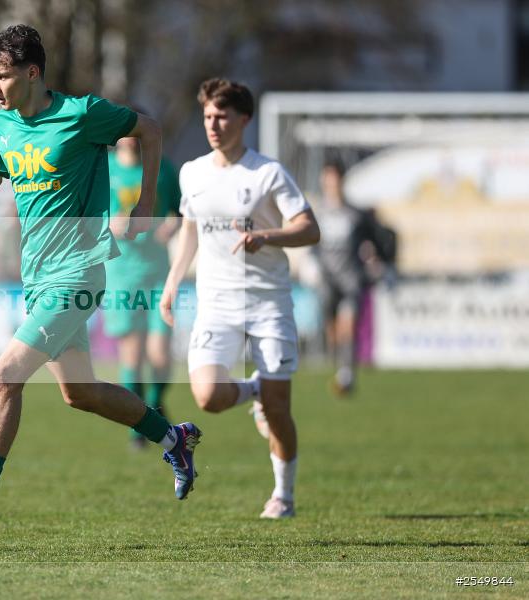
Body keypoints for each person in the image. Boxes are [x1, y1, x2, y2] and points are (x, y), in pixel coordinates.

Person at [0, 25, 203, 532]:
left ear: (32, 73)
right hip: (36, 279)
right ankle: (174, 439)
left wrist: (144, 204)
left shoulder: (81, 115)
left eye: (2, 76)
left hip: (78, 272)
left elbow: (149, 129)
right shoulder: (1, 128)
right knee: (80, 393)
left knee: (5, 375)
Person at [159, 79, 320, 519]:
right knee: (208, 395)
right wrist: (173, 281)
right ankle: (254, 392)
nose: (213, 124)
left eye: (223, 115)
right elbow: (190, 229)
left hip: (268, 304)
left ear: (244, 119)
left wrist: (267, 236)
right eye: (208, 116)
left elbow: (310, 228)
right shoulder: (192, 172)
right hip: (216, 302)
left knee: (281, 410)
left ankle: (282, 494)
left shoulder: (267, 173)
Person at [103, 133, 182, 448]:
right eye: (126, 138)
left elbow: (180, 212)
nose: (133, 144)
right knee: (132, 355)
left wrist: (173, 225)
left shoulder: (163, 169)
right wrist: (110, 224)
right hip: (120, 273)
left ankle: (154, 404)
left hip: (158, 273)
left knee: (160, 354)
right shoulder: (103, 168)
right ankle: (139, 427)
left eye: (139, 139)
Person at [312, 161, 395, 396]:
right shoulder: (317, 214)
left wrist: (378, 261)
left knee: (348, 324)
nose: (331, 185)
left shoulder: (356, 214)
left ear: (341, 181)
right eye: (326, 180)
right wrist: (311, 263)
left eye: (334, 180)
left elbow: (378, 239)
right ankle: (340, 363)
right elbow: (310, 244)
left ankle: (346, 373)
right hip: (327, 281)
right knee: (333, 330)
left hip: (351, 280)